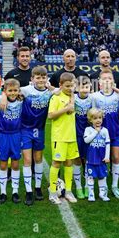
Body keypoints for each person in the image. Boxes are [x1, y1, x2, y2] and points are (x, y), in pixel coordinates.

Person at [18, 66, 58, 202]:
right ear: (32, 79)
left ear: (47, 78)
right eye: (38, 77)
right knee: (28, 160)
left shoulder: (50, 92)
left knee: (38, 158)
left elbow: (62, 92)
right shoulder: (25, 90)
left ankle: (38, 187)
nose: (41, 80)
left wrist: (51, 87)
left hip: (40, 130)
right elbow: (7, 90)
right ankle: (29, 191)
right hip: (25, 129)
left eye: (43, 77)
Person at [90, 69, 119, 199]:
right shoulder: (94, 97)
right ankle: (101, 186)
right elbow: (92, 116)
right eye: (104, 78)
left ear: (113, 81)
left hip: (115, 132)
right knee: (102, 159)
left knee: (115, 158)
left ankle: (115, 186)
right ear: (99, 82)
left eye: (109, 78)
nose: (107, 81)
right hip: (100, 134)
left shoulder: (118, 96)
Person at [47, 72, 80, 204]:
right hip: (59, 136)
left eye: (72, 86)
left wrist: (72, 96)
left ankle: (68, 191)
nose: (70, 88)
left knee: (69, 163)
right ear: (60, 85)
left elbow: (72, 103)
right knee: (56, 163)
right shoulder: (56, 98)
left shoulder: (73, 97)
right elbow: (50, 115)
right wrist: (65, 109)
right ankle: (53, 192)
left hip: (71, 136)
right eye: (67, 86)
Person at [0, 79, 25, 205]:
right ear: (5, 91)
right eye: (10, 91)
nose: (12, 93)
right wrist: (2, 95)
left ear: (18, 91)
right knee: (3, 164)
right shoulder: (0, 99)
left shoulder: (21, 100)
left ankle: (15, 191)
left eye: (15, 90)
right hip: (3, 135)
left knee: (15, 164)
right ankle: (3, 192)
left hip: (16, 135)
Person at [83, 108, 111, 202]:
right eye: (95, 118)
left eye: (100, 118)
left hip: (101, 159)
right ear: (91, 120)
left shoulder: (105, 130)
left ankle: (102, 194)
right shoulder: (88, 129)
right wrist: (95, 131)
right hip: (91, 159)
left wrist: (107, 156)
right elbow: (86, 140)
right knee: (90, 177)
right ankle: (91, 194)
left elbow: (107, 144)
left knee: (102, 176)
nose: (98, 120)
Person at [74, 76, 93, 199]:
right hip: (75, 133)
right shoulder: (73, 98)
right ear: (76, 87)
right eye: (82, 87)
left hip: (88, 134)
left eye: (86, 86)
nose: (84, 89)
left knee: (87, 160)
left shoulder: (92, 99)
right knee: (76, 159)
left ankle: (87, 185)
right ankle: (78, 187)